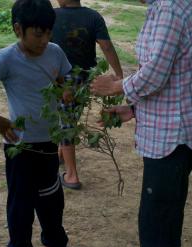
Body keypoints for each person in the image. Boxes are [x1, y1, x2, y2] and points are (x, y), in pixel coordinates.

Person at [0, 0, 82, 247]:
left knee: (52, 198)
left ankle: (56, 246)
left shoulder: (55, 52)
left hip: (49, 141)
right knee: (21, 205)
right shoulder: (6, 58)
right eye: (38, 34)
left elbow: (63, 81)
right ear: (19, 29)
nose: (44, 40)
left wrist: (67, 91)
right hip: (20, 146)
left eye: (49, 33)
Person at [90, 0, 192, 247]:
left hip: (172, 138)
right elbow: (173, 74)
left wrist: (114, 86)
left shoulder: (170, 7)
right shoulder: (161, 7)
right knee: (162, 219)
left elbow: (155, 73)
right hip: (167, 132)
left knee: (157, 226)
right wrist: (133, 109)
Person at [52, 0, 123, 189]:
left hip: (60, 79)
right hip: (85, 79)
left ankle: (72, 176)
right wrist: (119, 74)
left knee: (66, 123)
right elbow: (106, 46)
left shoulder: (52, 15)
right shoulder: (93, 16)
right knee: (70, 119)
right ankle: (60, 154)